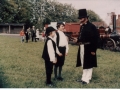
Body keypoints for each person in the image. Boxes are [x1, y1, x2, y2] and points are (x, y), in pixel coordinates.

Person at [74, 9, 100, 84]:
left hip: (89, 47)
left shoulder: (92, 27)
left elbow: (96, 39)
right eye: (80, 18)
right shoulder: (82, 26)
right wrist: (78, 40)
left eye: (81, 18)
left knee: (89, 64)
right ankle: (83, 78)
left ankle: (87, 79)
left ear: (86, 18)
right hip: (82, 47)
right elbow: (82, 37)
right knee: (83, 62)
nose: (80, 19)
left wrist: (93, 50)